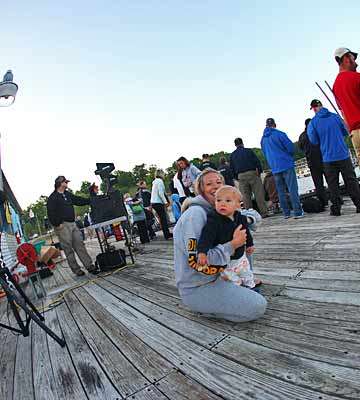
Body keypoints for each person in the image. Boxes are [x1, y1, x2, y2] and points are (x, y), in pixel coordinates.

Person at [173, 169, 267, 322]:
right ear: (200, 190)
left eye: (219, 182)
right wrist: (233, 244)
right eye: (209, 184)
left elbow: (255, 216)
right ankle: (209, 307)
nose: (215, 186)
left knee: (240, 231)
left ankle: (239, 283)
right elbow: (198, 262)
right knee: (258, 306)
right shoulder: (195, 215)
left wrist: (244, 220)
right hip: (199, 286)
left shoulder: (222, 209)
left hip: (222, 274)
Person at [307, 100, 360, 216]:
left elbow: (313, 140)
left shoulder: (313, 123)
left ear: (315, 108)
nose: (314, 110)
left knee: (332, 185)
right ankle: (358, 204)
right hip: (343, 155)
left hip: (328, 157)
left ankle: (336, 209)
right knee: (351, 181)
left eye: (314, 108)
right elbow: (345, 131)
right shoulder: (335, 117)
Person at [197, 185, 255, 288]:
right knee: (233, 283)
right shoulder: (214, 220)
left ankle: (251, 288)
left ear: (237, 204)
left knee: (247, 275)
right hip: (226, 262)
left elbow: (245, 232)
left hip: (241, 257)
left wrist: (250, 244)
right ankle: (238, 292)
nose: (222, 203)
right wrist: (202, 252)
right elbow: (206, 237)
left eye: (228, 201)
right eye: (218, 200)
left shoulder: (240, 218)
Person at [46, 176, 99, 276]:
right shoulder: (53, 198)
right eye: (65, 182)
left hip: (72, 223)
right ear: (60, 183)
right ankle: (76, 270)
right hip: (62, 226)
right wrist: (58, 224)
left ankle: (89, 266)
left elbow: (78, 200)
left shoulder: (67, 194)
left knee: (80, 244)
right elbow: (51, 213)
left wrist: (91, 199)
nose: (67, 183)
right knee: (68, 249)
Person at [261, 118, 304, 219]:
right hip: (286, 164)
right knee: (292, 189)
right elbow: (291, 148)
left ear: (266, 125)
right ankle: (297, 212)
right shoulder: (280, 134)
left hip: (275, 168)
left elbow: (265, 153)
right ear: (275, 125)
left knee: (280, 191)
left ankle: (286, 213)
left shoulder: (263, 140)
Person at [333, 47, 360, 164]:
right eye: (354, 58)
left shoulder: (335, 86)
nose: (357, 63)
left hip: (355, 135)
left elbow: (343, 112)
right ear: (346, 58)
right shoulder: (356, 77)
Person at [229, 138, 268, 217]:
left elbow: (232, 168)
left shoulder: (232, 155)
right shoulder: (249, 151)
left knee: (246, 197)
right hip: (252, 173)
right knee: (259, 194)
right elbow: (257, 162)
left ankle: (249, 215)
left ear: (235, 145)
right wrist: (259, 172)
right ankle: (264, 213)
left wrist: (237, 177)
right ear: (242, 143)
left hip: (241, 176)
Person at [298, 117, 328, 210]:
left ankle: (323, 202)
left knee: (318, 184)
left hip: (311, 162)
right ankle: (337, 199)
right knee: (330, 180)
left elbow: (301, 147)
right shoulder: (316, 132)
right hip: (323, 160)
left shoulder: (302, 136)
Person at [151, 170, 173, 240]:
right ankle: (167, 234)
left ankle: (166, 233)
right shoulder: (160, 181)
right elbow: (161, 193)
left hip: (154, 202)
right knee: (164, 219)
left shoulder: (155, 182)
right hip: (158, 202)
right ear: (161, 174)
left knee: (162, 218)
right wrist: (166, 202)